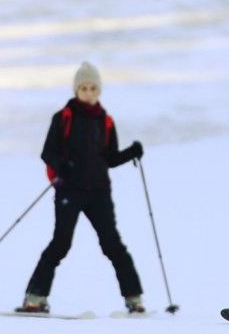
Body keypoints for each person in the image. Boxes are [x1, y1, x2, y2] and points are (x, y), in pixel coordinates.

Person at [18, 62, 146, 314]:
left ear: (99, 91)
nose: (88, 92)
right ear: (76, 90)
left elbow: (109, 158)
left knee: (113, 245)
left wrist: (131, 152)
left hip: (99, 192)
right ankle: (35, 298)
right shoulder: (63, 117)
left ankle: (135, 300)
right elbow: (48, 152)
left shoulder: (105, 121)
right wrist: (62, 165)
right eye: (84, 88)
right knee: (61, 244)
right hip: (69, 191)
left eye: (93, 88)